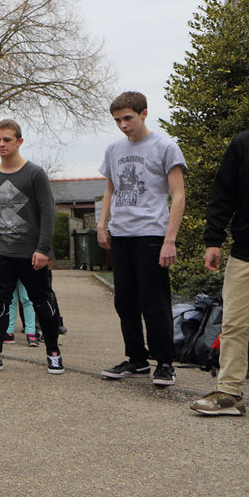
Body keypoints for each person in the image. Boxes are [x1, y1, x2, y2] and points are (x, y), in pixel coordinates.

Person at [96, 92, 186, 387]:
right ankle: (136, 360)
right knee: (124, 300)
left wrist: (169, 239)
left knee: (155, 301)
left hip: (152, 233)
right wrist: (102, 223)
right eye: (117, 120)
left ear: (144, 113)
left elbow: (178, 195)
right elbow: (110, 188)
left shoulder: (165, 147)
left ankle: (164, 363)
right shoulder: (113, 149)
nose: (123, 125)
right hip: (121, 233)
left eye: (128, 118)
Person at [0, 119, 64, 375]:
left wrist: (44, 249)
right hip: (2, 253)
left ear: (19, 142)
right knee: (0, 304)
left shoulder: (35, 174)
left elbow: (48, 212)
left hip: (32, 253)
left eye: (7, 140)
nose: (1, 144)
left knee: (41, 302)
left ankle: (53, 353)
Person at [192, 130, 249, 415]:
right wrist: (213, 240)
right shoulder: (243, 144)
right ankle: (229, 394)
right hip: (246, 253)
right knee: (234, 325)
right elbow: (223, 194)